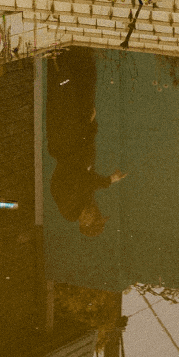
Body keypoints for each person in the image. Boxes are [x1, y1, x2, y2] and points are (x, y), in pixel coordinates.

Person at [47, 47, 126, 236]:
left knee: (67, 83)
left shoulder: (69, 207)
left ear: (85, 222)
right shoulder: (84, 200)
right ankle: (80, 49)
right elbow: (85, 163)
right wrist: (91, 126)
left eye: (96, 217)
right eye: (99, 215)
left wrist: (108, 180)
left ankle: (62, 51)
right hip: (78, 129)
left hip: (67, 132)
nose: (97, 211)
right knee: (85, 80)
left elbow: (80, 178)